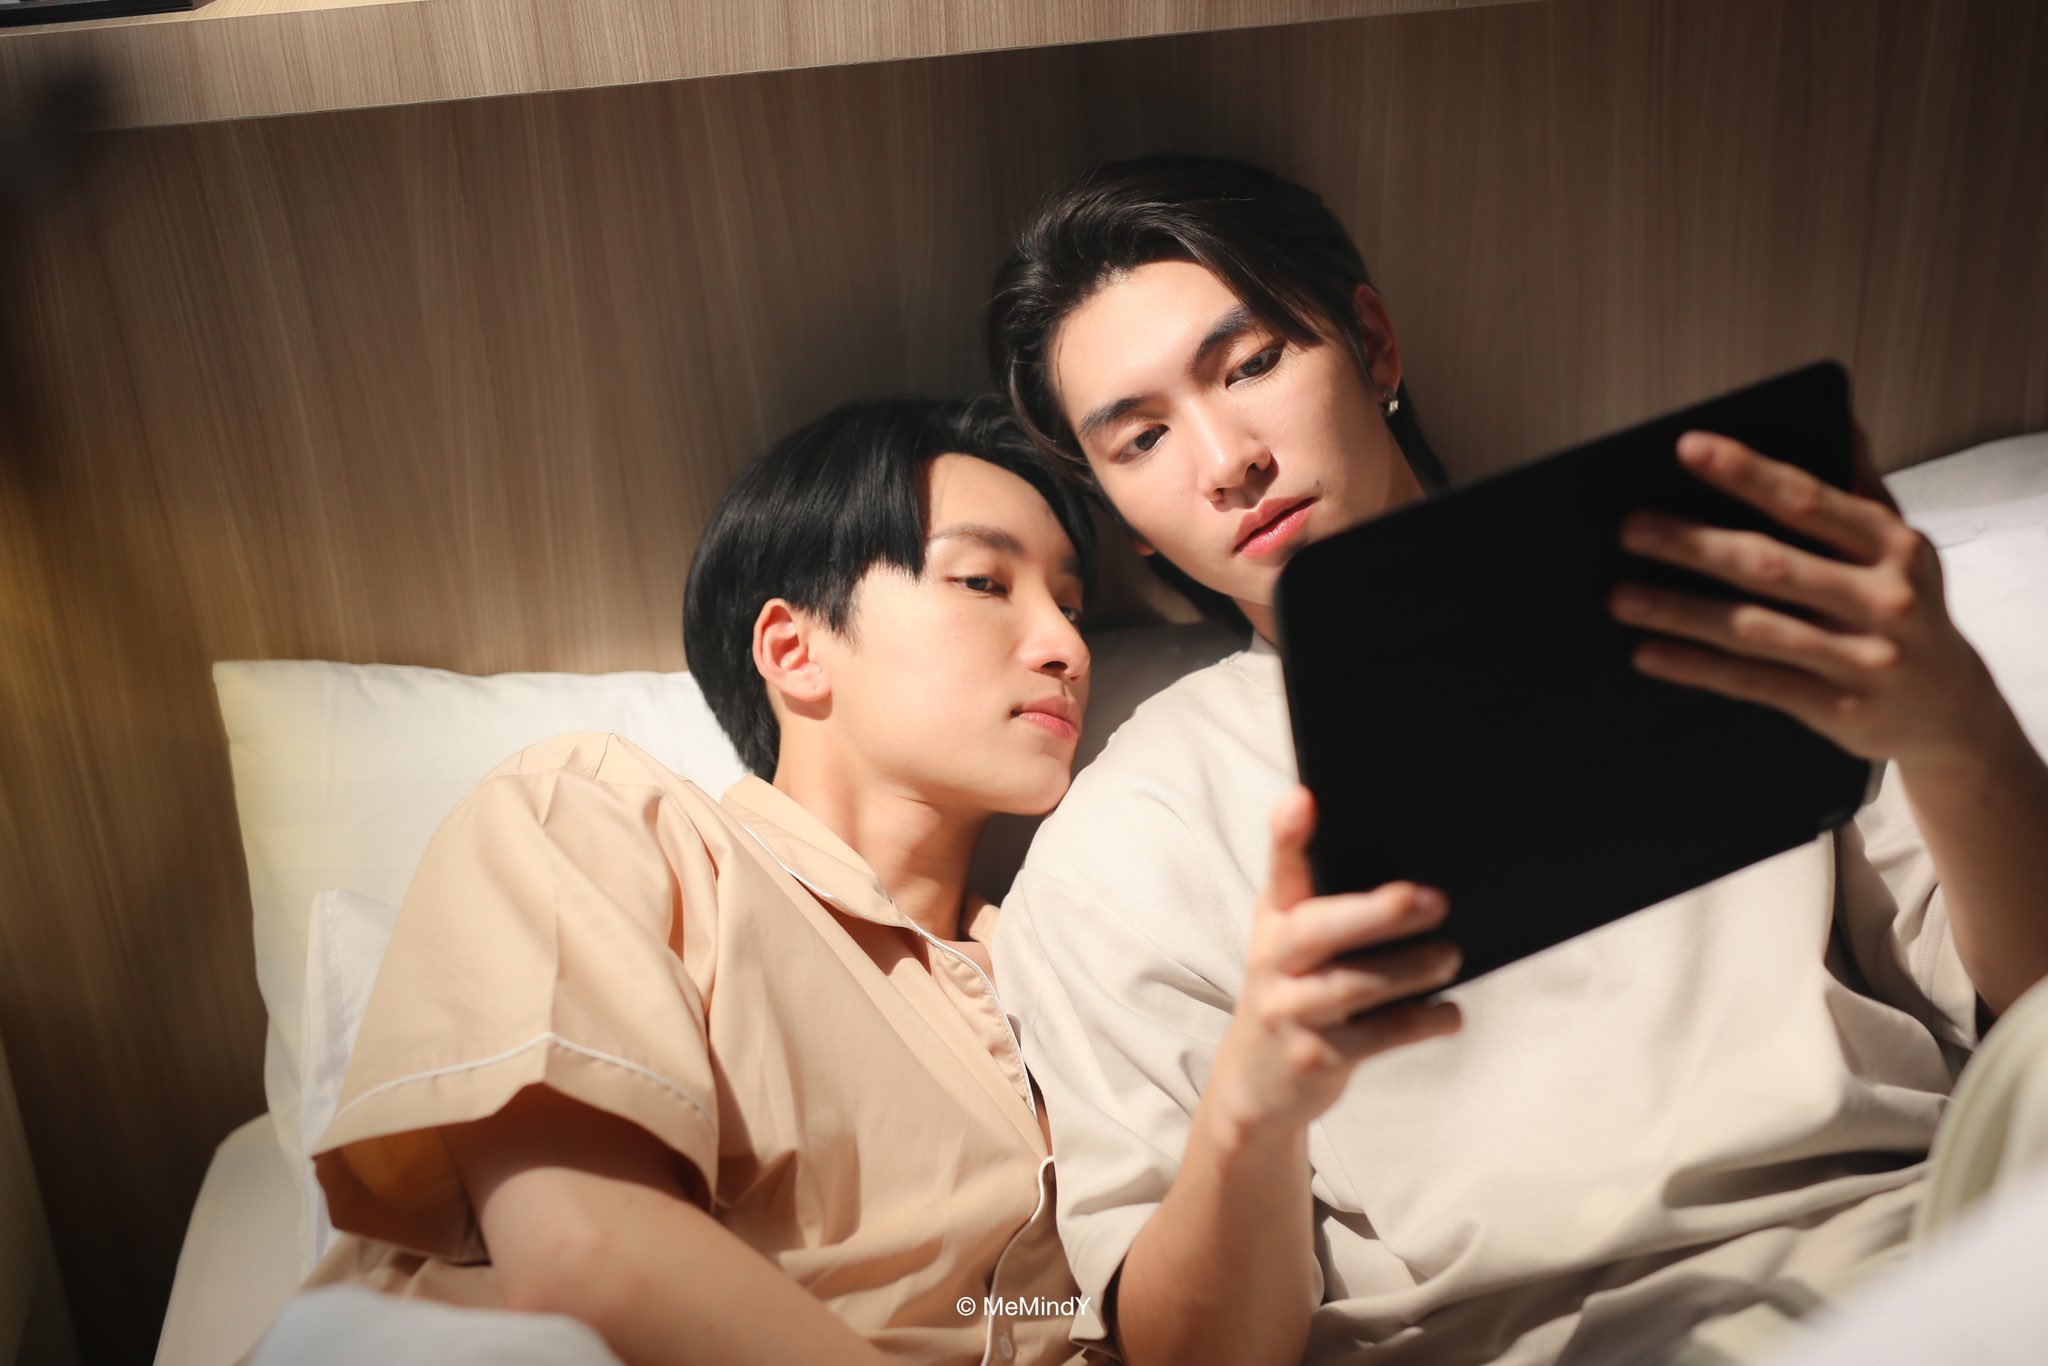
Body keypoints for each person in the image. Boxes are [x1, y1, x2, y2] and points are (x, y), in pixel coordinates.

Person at [984, 156, 2048, 1365]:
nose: (1225, 458)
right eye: (1140, 438)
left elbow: (2026, 1004)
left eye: (1252, 363)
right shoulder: (1114, 853)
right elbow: (1186, 1354)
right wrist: (1253, 1106)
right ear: (1121, 516)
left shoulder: (1710, 599)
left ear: (1372, 345)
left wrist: (1954, 718)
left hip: (1925, 1264)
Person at [268, 397, 1107, 1365]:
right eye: (983, 581)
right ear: (793, 650)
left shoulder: (1063, 980)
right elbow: (586, 1253)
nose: (1068, 648)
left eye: (1072, 607)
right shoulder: (604, 816)